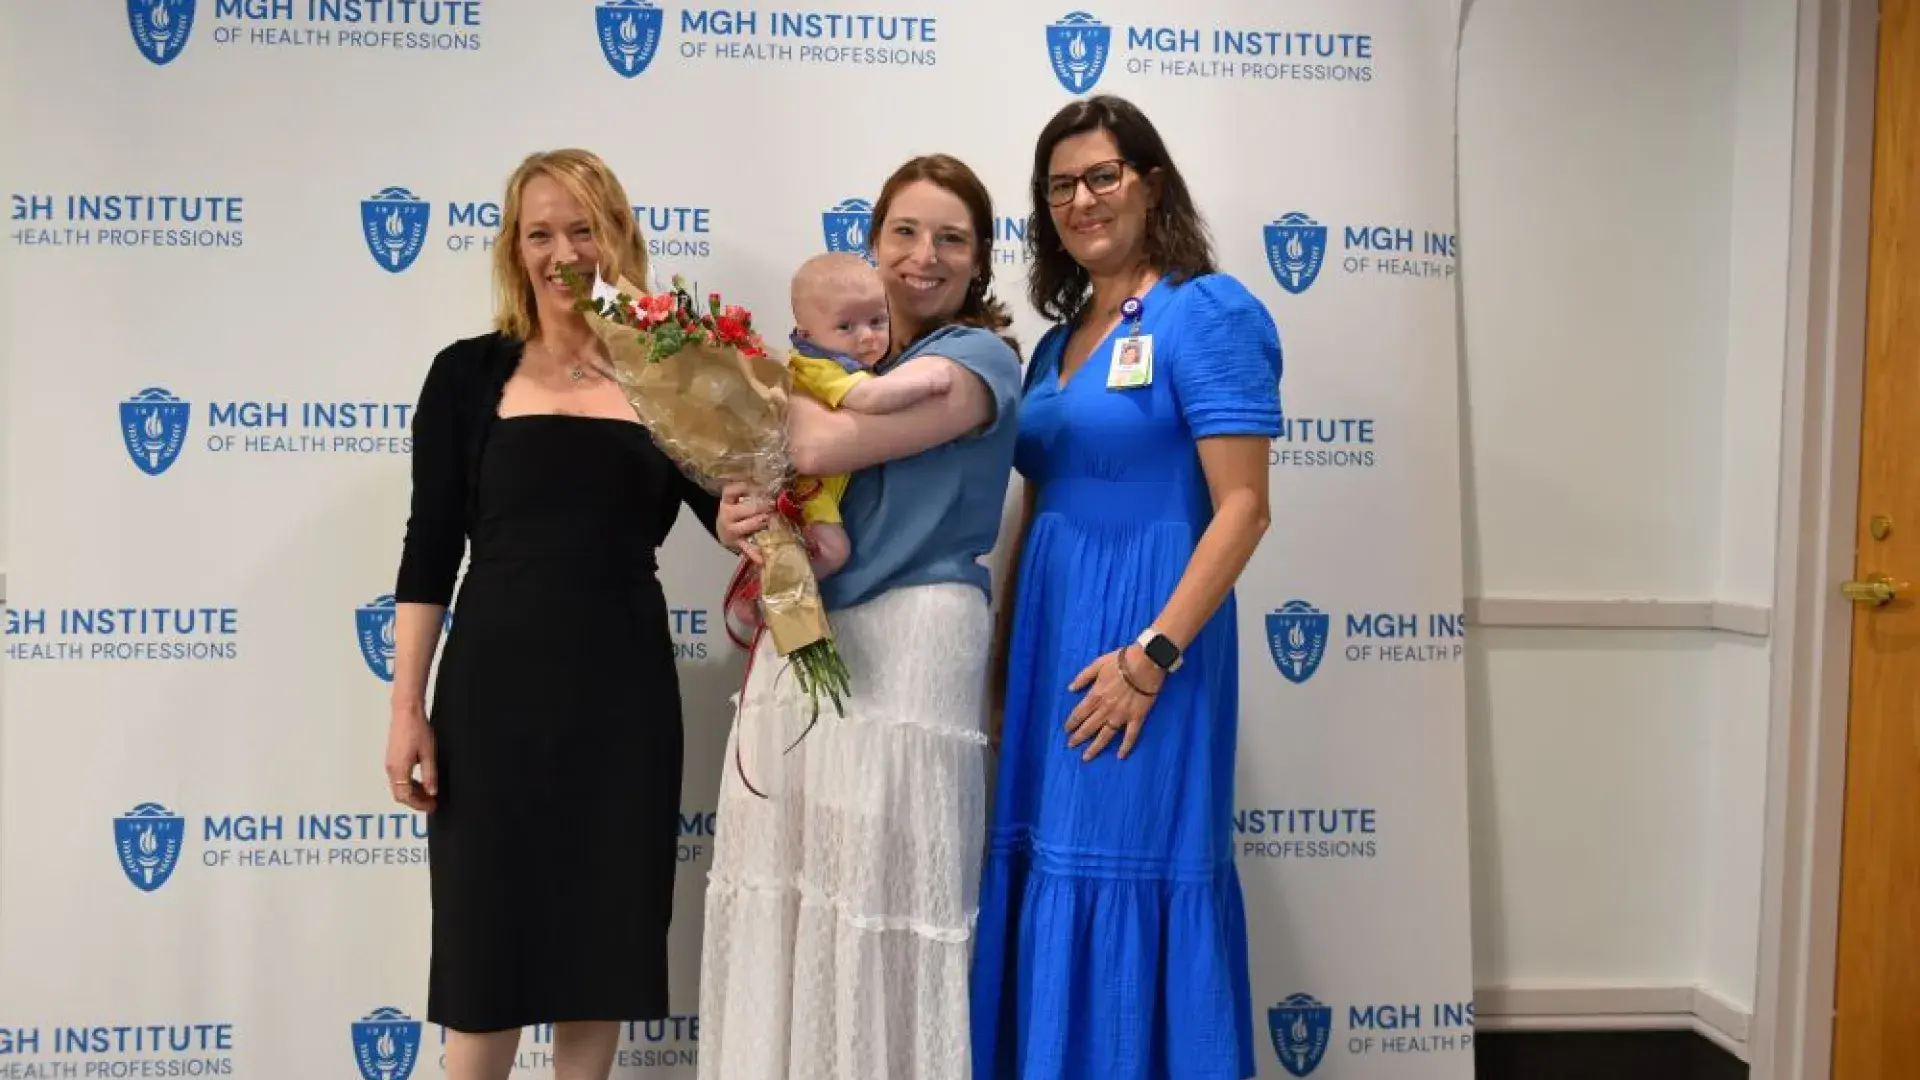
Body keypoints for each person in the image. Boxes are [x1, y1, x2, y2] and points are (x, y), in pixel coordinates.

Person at [382, 148, 719, 1080]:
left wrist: (785, 498)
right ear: (513, 249)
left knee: (600, 958)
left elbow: (735, 512)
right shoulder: (465, 376)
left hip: (623, 704)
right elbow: (427, 549)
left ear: (618, 241)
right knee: (484, 964)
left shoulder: (671, 375)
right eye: (540, 232)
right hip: (493, 698)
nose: (562, 250)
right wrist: (407, 706)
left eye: (583, 229)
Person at [970, 95, 1283, 1079]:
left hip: (1147, 652)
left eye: (1102, 175)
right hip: (1050, 652)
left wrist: (1151, 659)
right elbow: (1041, 505)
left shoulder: (1208, 311)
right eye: (1060, 185)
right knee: (1046, 870)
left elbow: (1243, 510)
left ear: (1151, 183)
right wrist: (1004, 652)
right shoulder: (1059, 339)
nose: (1082, 198)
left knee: (1124, 871)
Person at [698, 154, 1025, 1080]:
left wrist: (765, 404)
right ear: (873, 246)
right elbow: (784, 465)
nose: (925, 257)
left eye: (951, 238)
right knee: (789, 892)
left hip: (914, 640)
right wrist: (743, 515)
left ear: (979, 259)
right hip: (805, 634)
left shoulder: (980, 357)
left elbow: (816, 438)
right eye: (905, 234)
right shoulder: (831, 358)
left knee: (879, 899)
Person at [784, 250, 954, 577]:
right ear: (807, 335)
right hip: (806, 491)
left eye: (877, 321)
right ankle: (771, 592)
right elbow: (870, 397)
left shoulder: (846, 363)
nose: (866, 336)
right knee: (833, 552)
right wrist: (927, 382)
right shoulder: (818, 366)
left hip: (823, 490)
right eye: (845, 326)